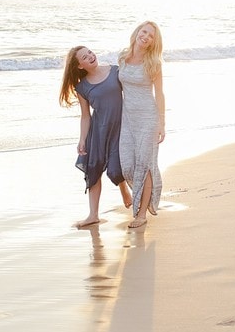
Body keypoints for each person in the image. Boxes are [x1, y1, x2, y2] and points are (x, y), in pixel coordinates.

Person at [59, 45, 131, 228]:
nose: (90, 56)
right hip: (98, 131)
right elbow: (85, 116)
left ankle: (124, 189)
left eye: (90, 52)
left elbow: (132, 95)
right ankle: (93, 215)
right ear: (80, 66)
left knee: (115, 170)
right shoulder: (82, 87)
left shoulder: (115, 71)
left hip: (120, 128)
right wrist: (82, 139)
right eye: (85, 57)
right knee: (93, 169)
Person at [118, 21, 166, 229]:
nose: (145, 36)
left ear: (153, 42)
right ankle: (153, 192)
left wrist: (162, 123)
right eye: (144, 31)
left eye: (151, 36)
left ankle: (142, 213)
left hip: (148, 118)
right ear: (137, 31)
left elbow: (160, 93)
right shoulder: (122, 57)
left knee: (144, 165)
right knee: (127, 164)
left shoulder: (153, 62)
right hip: (127, 119)